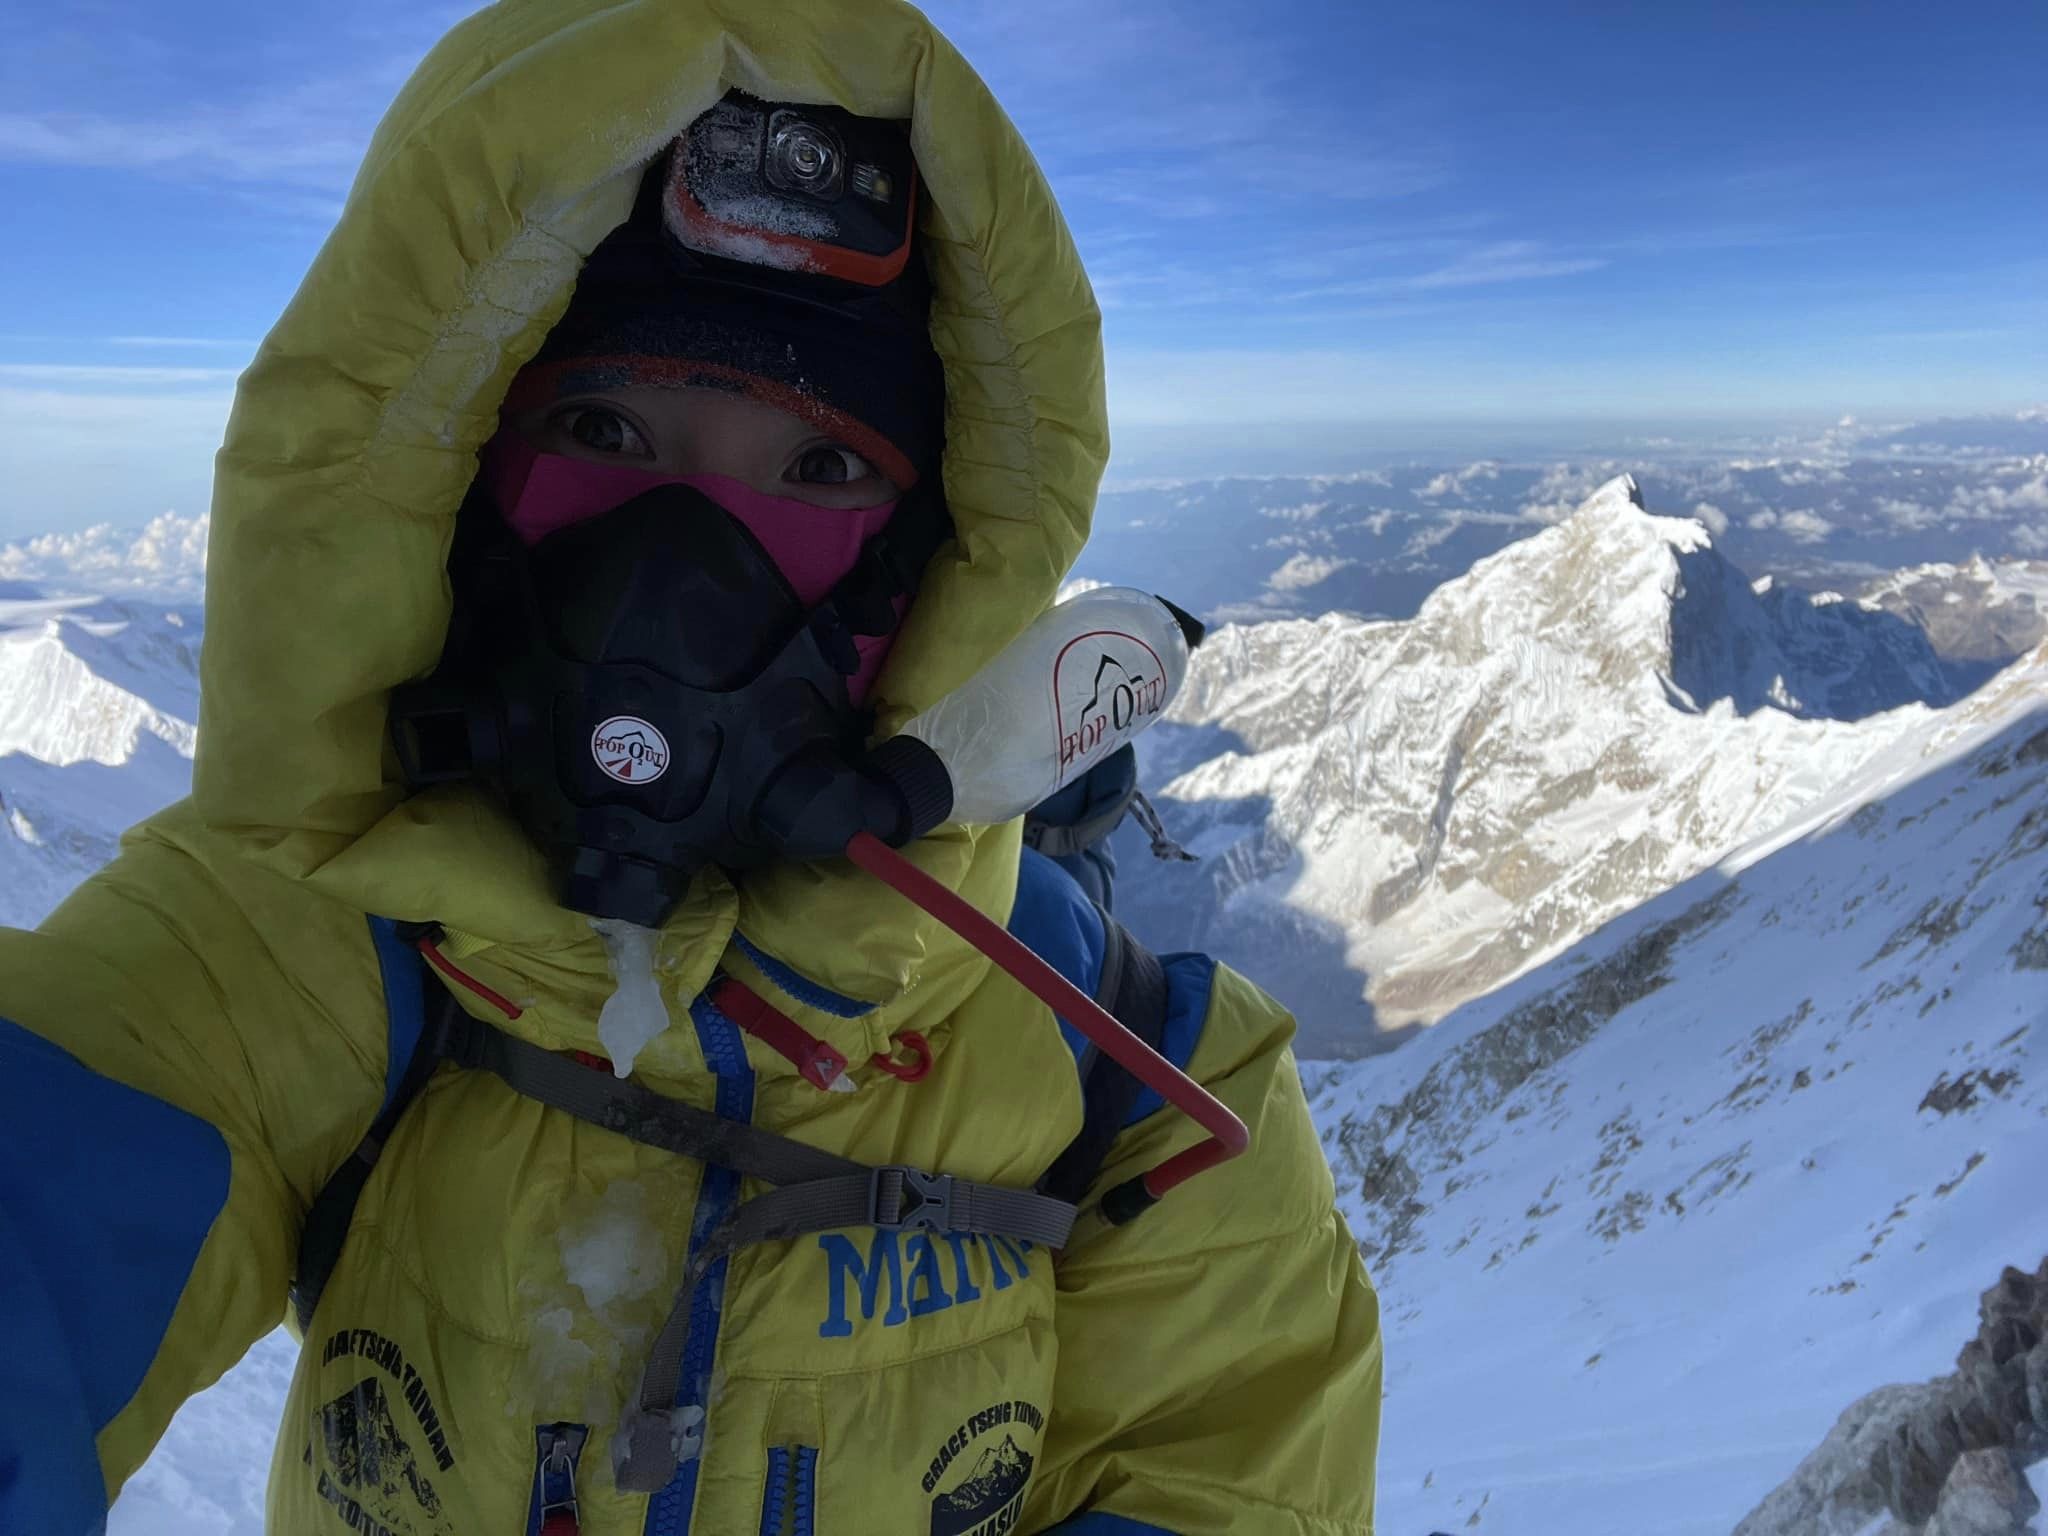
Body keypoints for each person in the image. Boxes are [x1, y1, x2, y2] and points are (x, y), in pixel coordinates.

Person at [0, 3, 1383, 1533]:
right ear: (457, 492)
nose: (679, 561)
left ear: (924, 575)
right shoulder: (295, 944)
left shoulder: (1145, 1074)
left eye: (821, 467)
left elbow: (1225, 1476)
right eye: (600, 424)